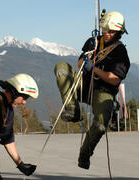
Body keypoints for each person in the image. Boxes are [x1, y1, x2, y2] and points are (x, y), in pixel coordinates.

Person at [54, 11, 130, 170]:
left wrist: (93, 68)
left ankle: (85, 153)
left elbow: (114, 78)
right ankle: (72, 109)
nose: (107, 33)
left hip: (103, 91)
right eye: (105, 29)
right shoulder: (94, 41)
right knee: (61, 68)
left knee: (101, 124)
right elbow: (80, 63)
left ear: (119, 33)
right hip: (84, 85)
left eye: (111, 31)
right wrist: (87, 55)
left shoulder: (120, 52)